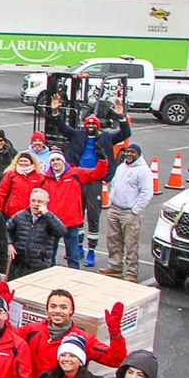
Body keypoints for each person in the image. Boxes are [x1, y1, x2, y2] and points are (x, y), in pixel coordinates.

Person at [48, 95, 130, 268]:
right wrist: (55, 111)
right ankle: (78, 248)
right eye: (88, 124)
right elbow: (62, 127)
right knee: (77, 216)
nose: (91, 126)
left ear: (98, 126)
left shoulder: (107, 138)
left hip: (94, 181)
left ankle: (91, 250)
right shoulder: (78, 135)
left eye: (94, 124)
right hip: (77, 180)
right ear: (85, 125)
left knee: (93, 217)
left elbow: (125, 134)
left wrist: (121, 117)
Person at [16, 289, 127, 378]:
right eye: (53, 306)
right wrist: (1, 312)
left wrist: (115, 333)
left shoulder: (84, 340)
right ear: (47, 309)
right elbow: (6, 337)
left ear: (71, 310)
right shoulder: (31, 330)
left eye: (63, 307)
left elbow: (117, 360)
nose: (58, 311)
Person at [42, 149, 108, 270]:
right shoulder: (45, 178)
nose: (55, 162)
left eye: (58, 160)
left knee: (73, 256)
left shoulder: (76, 173)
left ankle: (74, 278)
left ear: (63, 161)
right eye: (52, 160)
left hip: (71, 222)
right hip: (52, 223)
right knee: (49, 256)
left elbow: (98, 173)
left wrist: (103, 160)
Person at [102, 144, 152, 282]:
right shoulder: (121, 167)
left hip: (128, 212)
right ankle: (115, 267)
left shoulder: (143, 171)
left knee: (130, 243)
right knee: (113, 240)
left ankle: (132, 272)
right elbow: (114, 184)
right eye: (128, 152)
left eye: (133, 152)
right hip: (114, 209)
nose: (129, 154)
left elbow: (147, 193)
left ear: (139, 154)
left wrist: (134, 210)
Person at [6, 189, 68, 279]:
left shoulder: (50, 218)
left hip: (40, 266)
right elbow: (6, 230)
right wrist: (9, 243)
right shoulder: (20, 215)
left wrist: (47, 214)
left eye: (39, 201)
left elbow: (61, 232)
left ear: (46, 203)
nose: (35, 204)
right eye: (33, 200)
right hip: (18, 265)